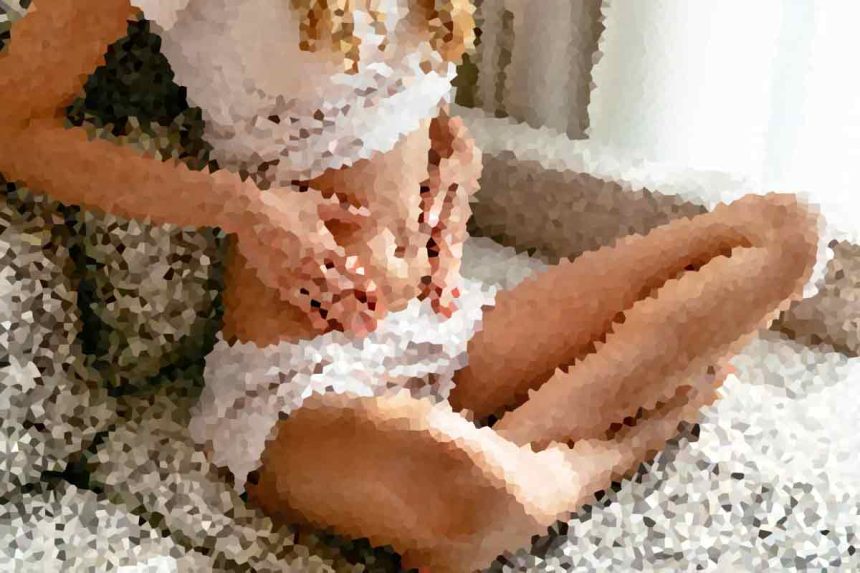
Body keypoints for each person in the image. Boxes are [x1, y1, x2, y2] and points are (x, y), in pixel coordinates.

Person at [0, 1, 819, 570]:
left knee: (785, 232)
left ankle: (499, 482)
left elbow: (380, 90)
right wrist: (240, 207)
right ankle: (611, 443)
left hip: (442, 325)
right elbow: (13, 128)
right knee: (472, 496)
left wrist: (456, 147)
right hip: (301, 378)